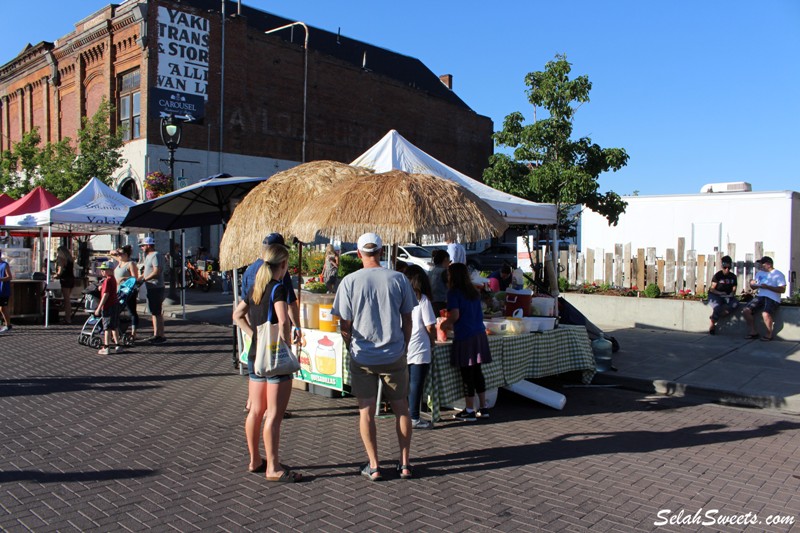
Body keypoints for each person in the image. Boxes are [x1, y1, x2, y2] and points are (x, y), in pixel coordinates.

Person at [332, 232, 417, 481]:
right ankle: (404, 464)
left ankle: (375, 465)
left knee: (366, 412)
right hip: (394, 353)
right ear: (381, 252)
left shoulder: (349, 281)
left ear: (359, 254)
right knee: (402, 408)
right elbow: (408, 319)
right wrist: (404, 345)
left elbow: (344, 324)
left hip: (363, 355)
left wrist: (351, 346)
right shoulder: (399, 279)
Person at [232, 243, 303, 482]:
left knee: (255, 410)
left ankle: (255, 460)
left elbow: (237, 315)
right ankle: (273, 467)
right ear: (282, 265)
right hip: (274, 358)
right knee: (273, 414)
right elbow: (283, 320)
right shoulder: (277, 288)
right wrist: (286, 344)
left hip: (255, 357)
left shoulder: (255, 287)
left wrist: (253, 335)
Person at [240, 233, 302, 414]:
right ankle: (271, 410)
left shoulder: (250, 270)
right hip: (272, 338)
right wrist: (295, 327)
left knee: (256, 375)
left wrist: (252, 332)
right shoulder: (280, 275)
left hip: (257, 333)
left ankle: (252, 404)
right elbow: (289, 305)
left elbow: (243, 306)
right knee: (273, 405)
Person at [440, 262, 492, 421]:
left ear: (453, 276)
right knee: (477, 372)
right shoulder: (473, 291)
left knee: (467, 374)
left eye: (449, 274)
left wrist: (444, 324)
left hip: (465, 336)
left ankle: (469, 410)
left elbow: (454, 315)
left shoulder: (453, 293)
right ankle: (483, 408)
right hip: (479, 334)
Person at [404, 265, 436, 430]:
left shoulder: (400, 297)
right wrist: (433, 341)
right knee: (416, 383)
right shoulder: (423, 299)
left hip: (404, 345)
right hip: (420, 346)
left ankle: (407, 414)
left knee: (407, 382)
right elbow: (430, 326)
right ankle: (414, 417)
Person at [743, 256, 786, 341]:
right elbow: (754, 287)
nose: (761, 266)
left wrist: (768, 287)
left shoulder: (778, 274)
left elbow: (782, 289)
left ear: (769, 264)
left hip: (772, 297)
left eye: (763, 264)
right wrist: (751, 283)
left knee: (765, 313)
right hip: (760, 296)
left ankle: (769, 334)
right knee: (746, 310)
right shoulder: (759, 273)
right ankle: (753, 331)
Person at [138, 237, 166, 344]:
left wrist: (144, 279)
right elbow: (146, 271)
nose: (141, 248)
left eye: (143, 246)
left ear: (149, 245)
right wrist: (139, 279)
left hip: (156, 286)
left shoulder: (156, 255)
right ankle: (156, 334)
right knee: (153, 312)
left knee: (157, 312)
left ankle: (161, 335)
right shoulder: (148, 256)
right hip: (150, 286)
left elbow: (156, 271)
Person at [112, 245, 140, 343]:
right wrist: (117, 251)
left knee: (132, 311)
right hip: (119, 291)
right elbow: (111, 253)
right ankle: (118, 332)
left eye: (121, 254)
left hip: (128, 291)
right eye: (118, 254)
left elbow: (135, 278)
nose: (119, 255)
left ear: (126, 255)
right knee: (115, 312)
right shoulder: (119, 262)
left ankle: (133, 333)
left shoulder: (130, 264)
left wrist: (124, 279)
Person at [95, 261, 121, 355]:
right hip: (115, 304)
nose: (102, 271)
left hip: (108, 306)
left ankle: (106, 346)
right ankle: (118, 344)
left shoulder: (107, 280)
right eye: (101, 270)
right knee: (114, 326)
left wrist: (99, 307)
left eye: (104, 270)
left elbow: (106, 294)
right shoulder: (113, 279)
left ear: (110, 270)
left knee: (107, 327)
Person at [707, 255, 738, 335]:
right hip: (716, 295)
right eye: (725, 268)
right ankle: (712, 324)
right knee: (717, 307)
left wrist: (731, 294)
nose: (727, 270)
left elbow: (734, 289)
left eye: (728, 268)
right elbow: (712, 289)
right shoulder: (718, 276)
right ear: (722, 266)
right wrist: (720, 293)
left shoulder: (733, 277)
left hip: (727, 296)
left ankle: (715, 316)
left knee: (735, 304)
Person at [55, 245, 76, 324]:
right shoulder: (70, 259)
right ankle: (68, 317)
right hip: (71, 279)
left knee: (66, 300)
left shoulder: (61, 259)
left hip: (65, 280)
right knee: (68, 300)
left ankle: (67, 318)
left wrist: (55, 275)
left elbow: (59, 272)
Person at [428, 249, 450, 316]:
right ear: (445, 259)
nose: (449, 263)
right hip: (442, 302)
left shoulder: (431, 270)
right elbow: (450, 286)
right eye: (449, 260)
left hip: (432, 302)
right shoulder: (444, 271)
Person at [0, 248, 12, 333]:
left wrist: (1, 279)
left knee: (3, 308)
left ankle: (8, 325)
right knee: (1, 309)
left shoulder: (4, 265)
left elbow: (9, 277)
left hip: (3, 290)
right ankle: (7, 325)